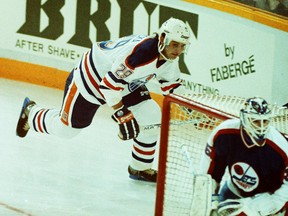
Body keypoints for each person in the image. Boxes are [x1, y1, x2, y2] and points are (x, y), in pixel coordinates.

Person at [16, 17, 191, 183]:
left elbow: (173, 86)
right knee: (66, 130)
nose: (178, 51)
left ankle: (140, 168)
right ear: (162, 38)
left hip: (123, 82)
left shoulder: (169, 57)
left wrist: (193, 108)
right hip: (91, 80)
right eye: (175, 44)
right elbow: (108, 86)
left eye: (182, 46)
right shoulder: (141, 54)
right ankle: (31, 112)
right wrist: (122, 113)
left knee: (152, 116)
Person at [200, 97, 288, 215]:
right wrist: (210, 201)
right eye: (255, 121)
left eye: (265, 121)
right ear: (244, 118)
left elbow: (284, 193)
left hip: (267, 199)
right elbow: (209, 174)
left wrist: (252, 208)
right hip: (234, 193)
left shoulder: (281, 147)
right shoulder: (224, 133)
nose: (261, 127)